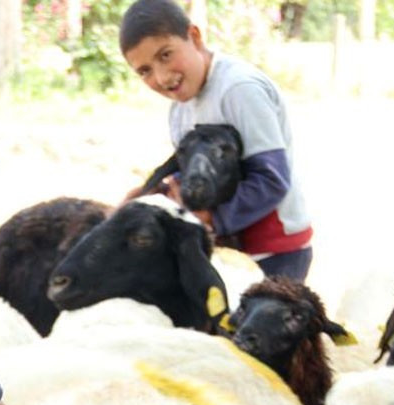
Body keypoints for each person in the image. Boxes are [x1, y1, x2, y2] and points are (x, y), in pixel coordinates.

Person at [119, 0, 314, 282]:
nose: (162, 77)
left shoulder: (239, 90)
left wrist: (213, 219)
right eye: (145, 70)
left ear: (195, 37)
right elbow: (192, 175)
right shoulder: (179, 108)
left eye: (166, 55)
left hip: (272, 250)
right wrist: (154, 193)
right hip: (228, 246)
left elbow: (271, 179)